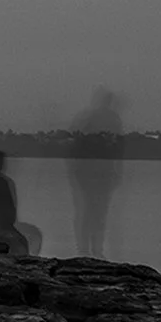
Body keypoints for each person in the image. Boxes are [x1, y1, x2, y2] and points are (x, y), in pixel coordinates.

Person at [64, 86, 124, 259]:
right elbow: (77, 143)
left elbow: (117, 148)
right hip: (89, 174)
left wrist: (117, 172)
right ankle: (84, 249)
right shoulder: (90, 117)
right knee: (89, 211)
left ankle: (96, 249)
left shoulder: (112, 119)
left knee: (98, 212)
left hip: (102, 174)